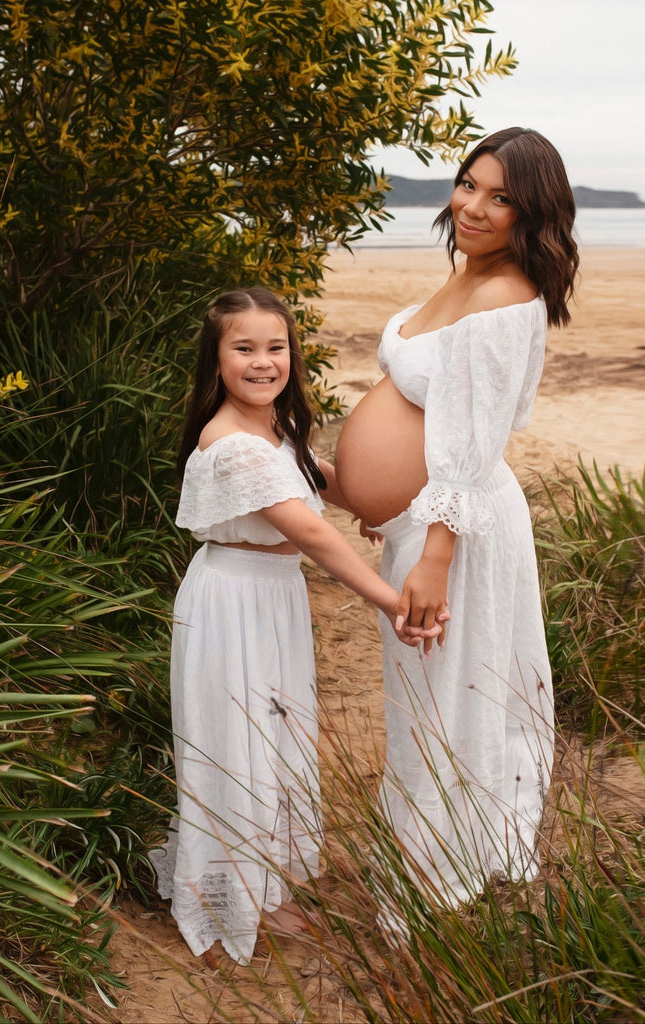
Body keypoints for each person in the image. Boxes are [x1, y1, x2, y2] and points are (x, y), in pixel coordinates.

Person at [334, 128, 579, 913]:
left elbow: (474, 444)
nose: (474, 205)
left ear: (531, 214)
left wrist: (434, 553)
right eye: (468, 184)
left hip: (460, 533)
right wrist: (382, 498)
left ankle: (443, 879)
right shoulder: (469, 272)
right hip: (428, 520)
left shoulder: (508, 297)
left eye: (501, 197)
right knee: (431, 702)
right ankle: (437, 863)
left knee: (451, 700)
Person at [150, 287, 429, 966]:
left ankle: (264, 888)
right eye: (243, 348)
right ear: (216, 362)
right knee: (234, 744)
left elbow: (322, 482)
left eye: (276, 347)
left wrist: (394, 508)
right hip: (232, 602)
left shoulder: (276, 429)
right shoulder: (230, 442)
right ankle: (222, 904)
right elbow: (310, 533)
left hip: (272, 598)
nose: (263, 362)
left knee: (274, 741)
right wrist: (390, 599)